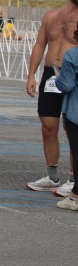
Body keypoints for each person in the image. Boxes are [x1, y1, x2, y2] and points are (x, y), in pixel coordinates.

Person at [24, 0, 78, 194]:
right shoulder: (51, 16)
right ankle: (52, 176)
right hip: (50, 75)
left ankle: (74, 179)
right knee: (48, 126)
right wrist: (31, 75)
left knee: (73, 127)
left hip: (73, 75)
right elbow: (39, 45)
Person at [52, 21, 78, 210]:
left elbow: (67, 85)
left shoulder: (72, 55)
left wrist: (57, 77)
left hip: (75, 110)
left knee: (76, 152)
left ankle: (75, 196)